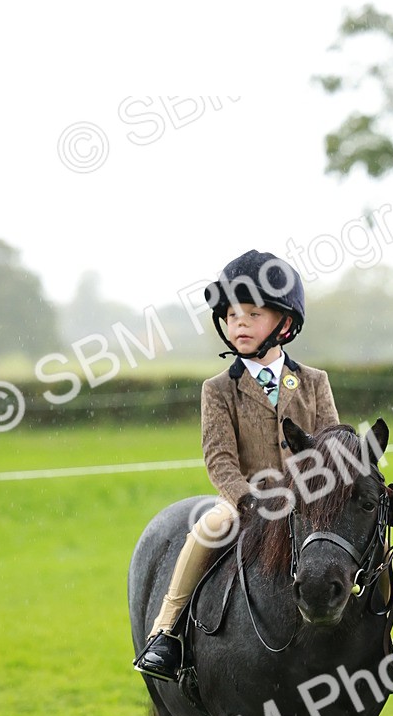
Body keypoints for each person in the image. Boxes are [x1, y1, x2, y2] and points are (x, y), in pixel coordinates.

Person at [134, 248, 338, 680]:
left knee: (351, 537)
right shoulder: (218, 389)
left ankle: (381, 643)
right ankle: (166, 632)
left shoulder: (314, 382)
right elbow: (219, 457)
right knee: (209, 527)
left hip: (309, 499)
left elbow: (332, 447)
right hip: (247, 500)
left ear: (284, 323)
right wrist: (247, 500)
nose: (238, 323)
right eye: (230, 315)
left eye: (252, 313)